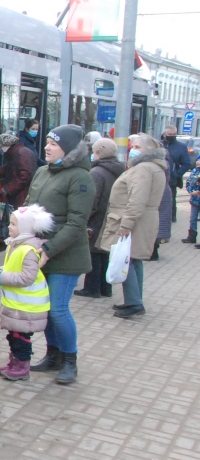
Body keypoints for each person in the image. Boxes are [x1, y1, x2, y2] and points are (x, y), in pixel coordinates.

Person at [24, 124, 95, 385]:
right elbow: (29, 208)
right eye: (47, 143)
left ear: (68, 149)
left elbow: (77, 223)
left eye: (53, 144)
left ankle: (69, 360)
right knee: (45, 308)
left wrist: (49, 250)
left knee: (57, 309)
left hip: (65, 256)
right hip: (39, 252)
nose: (46, 147)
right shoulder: (43, 171)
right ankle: (52, 355)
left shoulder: (80, 177)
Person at [97, 133, 168, 320]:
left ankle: (134, 302)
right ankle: (134, 299)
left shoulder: (143, 169)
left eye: (137, 147)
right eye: (132, 147)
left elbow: (137, 199)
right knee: (133, 261)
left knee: (125, 261)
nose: (132, 150)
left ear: (148, 150)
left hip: (133, 220)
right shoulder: (155, 167)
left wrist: (126, 224)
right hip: (144, 219)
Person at [0, 204, 53, 381]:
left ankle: (22, 366)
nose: (9, 227)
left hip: (27, 307)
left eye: (13, 224)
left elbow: (28, 277)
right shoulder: (16, 245)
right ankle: (14, 362)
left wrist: (2, 277)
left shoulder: (28, 250)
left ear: (25, 228)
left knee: (21, 338)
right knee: (13, 336)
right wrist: (1, 270)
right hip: (17, 305)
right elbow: (13, 266)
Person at [76, 138, 124, 298]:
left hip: (97, 218)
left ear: (98, 153)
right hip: (110, 216)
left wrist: (84, 217)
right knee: (103, 252)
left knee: (93, 252)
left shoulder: (96, 172)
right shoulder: (119, 169)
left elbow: (92, 200)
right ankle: (105, 287)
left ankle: (92, 288)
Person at [163, 125, 192, 223]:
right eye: (170, 134)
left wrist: (177, 174)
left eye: (174, 134)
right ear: (164, 134)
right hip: (159, 177)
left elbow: (187, 163)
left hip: (172, 179)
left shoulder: (181, 147)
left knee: (171, 199)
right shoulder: (158, 145)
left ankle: (171, 217)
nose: (172, 136)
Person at [183, 154, 200, 246]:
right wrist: (191, 191)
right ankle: (192, 237)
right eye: (197, 160)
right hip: (194, 200)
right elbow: (188, 183)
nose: (198, 162)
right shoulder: (194, 171)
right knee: (193, 219)